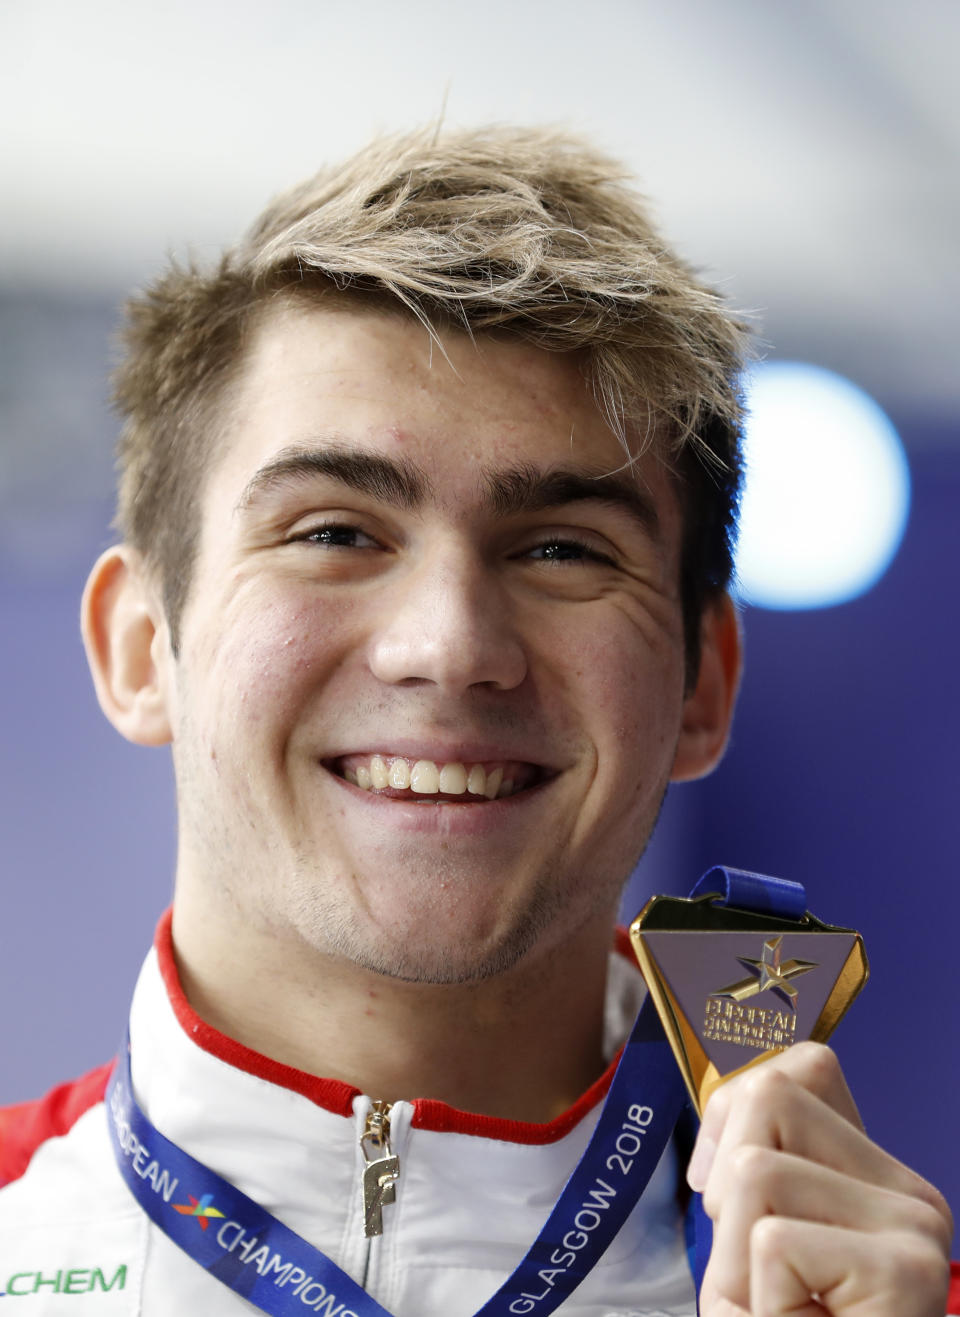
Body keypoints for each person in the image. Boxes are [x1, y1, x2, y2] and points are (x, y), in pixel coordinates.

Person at [0, 125, 954, 1316]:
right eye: (334, 532)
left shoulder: (879, 1296)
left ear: (705, 682)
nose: (449, 646)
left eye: (561, 550)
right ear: (141, 648)